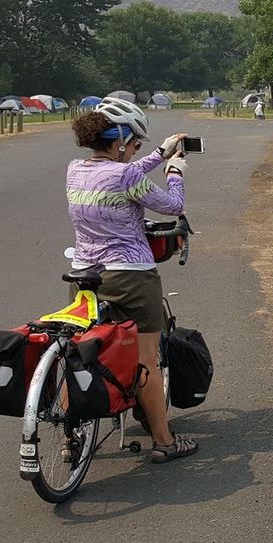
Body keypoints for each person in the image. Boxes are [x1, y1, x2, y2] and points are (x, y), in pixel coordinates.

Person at [66, 97, 198, 463]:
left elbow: (120, 174)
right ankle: (164, 441)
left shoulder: (75, 169)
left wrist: (159, 153)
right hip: (130, 277)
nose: (136, 149)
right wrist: (175, 170)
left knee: (79, 351)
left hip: (85, 274)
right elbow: (172, 205)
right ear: (121, 141)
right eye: (135, 143)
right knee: (146, 361)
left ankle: (70, 438)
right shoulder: (125, 176)